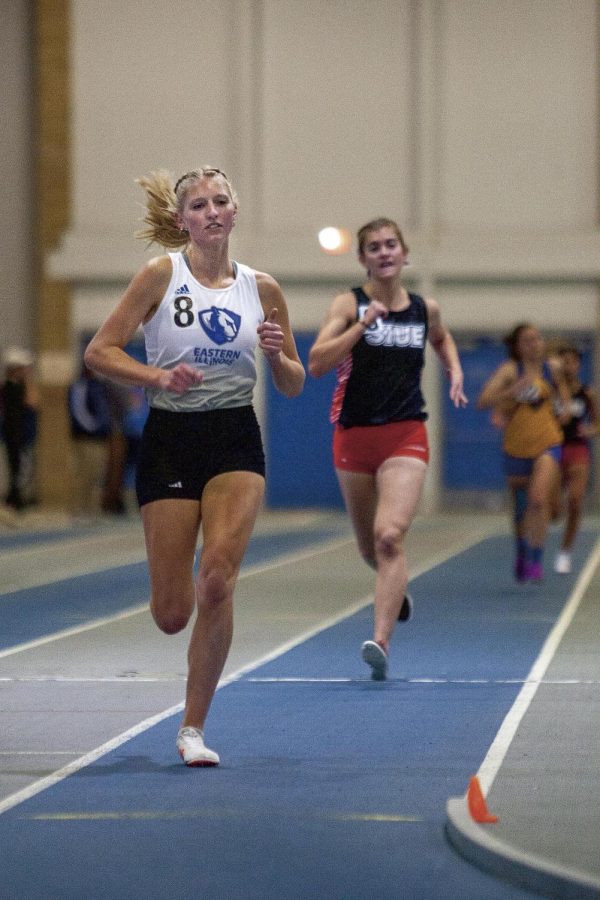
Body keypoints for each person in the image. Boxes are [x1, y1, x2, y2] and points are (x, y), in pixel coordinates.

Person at [85, 166, 305, 765]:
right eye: (199, 205)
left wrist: (275, 354)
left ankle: (192, 728)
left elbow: (291, 382)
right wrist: (156, 375)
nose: (211, 211)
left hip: (234, 434)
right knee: (172, 614)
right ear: (182, 219)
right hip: (171, 438)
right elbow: (98, 351)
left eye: (220, 201)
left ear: (235, 211)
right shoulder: (162, 274)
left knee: (217, 577)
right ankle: (176, 602)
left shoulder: (263, 289)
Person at [308, 217, 467, 681]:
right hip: (353, 436)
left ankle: (380, 641)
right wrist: (361, 327)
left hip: (404, 434)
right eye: (373, 247)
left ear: (404, 252)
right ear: (363, 259)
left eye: (390, 244)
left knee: (389, 537)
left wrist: (454, 370)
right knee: (367, 548)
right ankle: (395, 589)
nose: (383, 252)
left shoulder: (424, 308)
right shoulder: (348, 303)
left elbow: (441, 337)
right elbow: (318, 362)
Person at [477, 323, 569, 583]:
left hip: (549, 443)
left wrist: (563, 410)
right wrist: (511, 392)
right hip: (517, 447)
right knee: (520, 510)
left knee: (538, 500)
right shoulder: (510, 370)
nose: (535, 344)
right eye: (528, 340)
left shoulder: (553, 369)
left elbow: (562, 398)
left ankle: (536, 559)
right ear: (517, 346)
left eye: (538, 338)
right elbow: (483, 401)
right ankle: (521, 548)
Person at [551, 343, 599, 574]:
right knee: (554, 511)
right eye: (565, 362)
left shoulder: (587, 393)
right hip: (554, 449)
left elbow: (598, 425)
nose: (569, 366)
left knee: (576, 501)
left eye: (573, 362)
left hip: (578, 450)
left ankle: (565, 552)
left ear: (579, 365)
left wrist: (589, 430)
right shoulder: (550, 391)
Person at [68, 362, 112, 517]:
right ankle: (79, 509)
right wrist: (94, 427)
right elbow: (78, 412)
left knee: (97, 475)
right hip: (86, 439)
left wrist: (105, 428)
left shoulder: (99, 386)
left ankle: (93, 510)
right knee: (84, 475)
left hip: (100, 439)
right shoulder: (80, 386)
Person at [0, 347, 39, 511]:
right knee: (18, 468)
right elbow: (33, 402)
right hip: (14, 435)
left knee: (20, 468)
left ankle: (15, 497)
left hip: (20, 434)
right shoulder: (10, 388)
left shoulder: (17, 387)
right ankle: (14, 497)